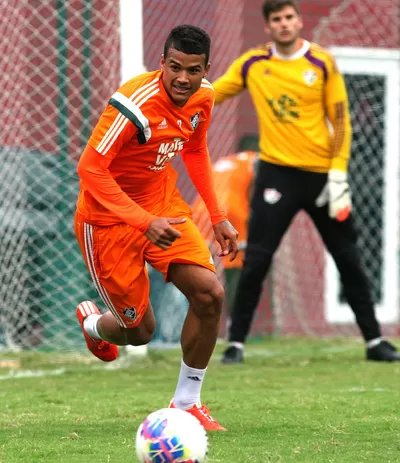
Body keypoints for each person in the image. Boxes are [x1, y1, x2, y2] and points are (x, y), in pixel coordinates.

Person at [212, 0, 400, 364]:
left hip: (322, 177)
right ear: (268, 26)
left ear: (299, 21)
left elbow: (340, 121)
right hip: (276, 174)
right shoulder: (253, 63)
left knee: (348, 257)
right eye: (276, 19)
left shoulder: (322, 62)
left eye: (289, 17)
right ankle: (236, 344)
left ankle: (375, 341)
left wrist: (339, 174)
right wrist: (177, 93)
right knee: (257, 259)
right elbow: (214, 94)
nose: (284, 24)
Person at [74, 24, 239, 431]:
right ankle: (94, 324)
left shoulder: (204, 96)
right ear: (162, 62)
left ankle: (187, 404)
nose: (183, 78)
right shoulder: (132, 103)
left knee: (210, 294)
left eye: (193, 70)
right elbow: (90, 168)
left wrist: (217, 215)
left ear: (206, 70)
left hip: (162, 206)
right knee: (139, 332)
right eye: (175, 67)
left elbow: (195, 150)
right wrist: (142, 221)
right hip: (107, 221)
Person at [192, 149, 258, 321]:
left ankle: (196, 316)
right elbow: (257, 186)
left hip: (201, 210)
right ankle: (234, 321)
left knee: (197, 266)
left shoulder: (223, 162)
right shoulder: (253, 159)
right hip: (230, 213)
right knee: (234, 269)